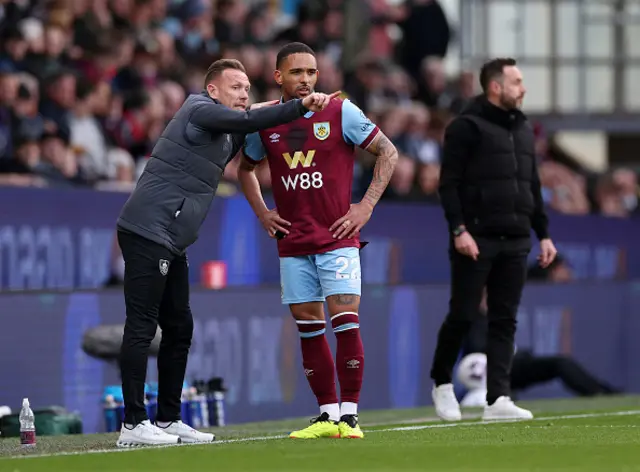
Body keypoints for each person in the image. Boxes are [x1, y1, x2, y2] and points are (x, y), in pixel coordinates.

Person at [115, 58, 339, 448]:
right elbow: (248, 120)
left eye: (247, 89)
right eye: (236, 87)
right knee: (141, 327)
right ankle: (133, 424)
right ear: (213, 89)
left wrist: (289, 101)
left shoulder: (228, 124)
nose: (243, 95)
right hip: (147, 230)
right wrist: (301, 104)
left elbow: (253, 115)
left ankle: (167, 420)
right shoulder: (197, 108)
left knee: (180, 328)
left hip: (173, 239)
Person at [237, 42, 398, 439]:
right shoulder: (267, 121)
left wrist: (366, 207)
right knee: (309, 330)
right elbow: (245, 169)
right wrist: (262, 212)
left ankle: (350, 416)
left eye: (311, 72)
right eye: (296, 73)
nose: (306, 79)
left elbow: (388, 153)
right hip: (293, 242)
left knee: (345, 324)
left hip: (337, 238)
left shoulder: (339, 111)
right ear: (278, 77)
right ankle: (326, 416)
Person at [430, 57, 558, 422]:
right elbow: (448, 184)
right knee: (463, 315)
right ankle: (441, 383)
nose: (524, 88)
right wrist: (459, 230)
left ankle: (497, 399)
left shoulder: (523, 129)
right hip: (477, 237)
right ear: (496, 87)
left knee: (505, 319)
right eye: (517, 81)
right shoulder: (465, 128)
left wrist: (544, 234)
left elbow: (531, 186)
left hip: (517, 237)